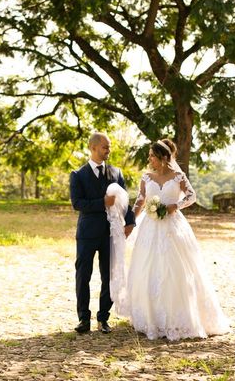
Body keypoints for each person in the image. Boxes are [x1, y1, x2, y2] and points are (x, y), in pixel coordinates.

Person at [126, 138, 230, 340]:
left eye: (153, 157)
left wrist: (175, 206)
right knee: (148, 268)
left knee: (176, 270)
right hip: (150, 228)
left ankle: (177, 318)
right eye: (149, 157)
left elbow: (192, 196)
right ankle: (151, 318)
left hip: (173, 227)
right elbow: (140, 200)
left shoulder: (178, 176)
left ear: (164, 158)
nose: (150, 160)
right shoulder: (146, 177)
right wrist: (130, 222)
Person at [69, 132, 135, 334]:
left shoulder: (117, 173)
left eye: (109, 147)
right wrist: (102, 203)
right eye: (105, 147)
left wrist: (130, 221)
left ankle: (103, 319)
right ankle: (83, 319)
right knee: (83, 275)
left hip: (110, 233)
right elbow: (77, 203)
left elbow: (125, 201)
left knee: (109, 276)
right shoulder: (78, 175)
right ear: (93, 148)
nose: (108, 150)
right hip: (87, 233)